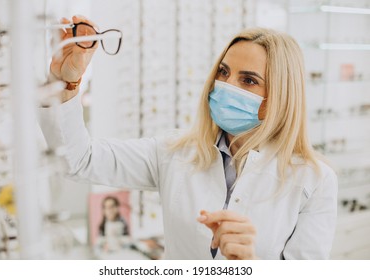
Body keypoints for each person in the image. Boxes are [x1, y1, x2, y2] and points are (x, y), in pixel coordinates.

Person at [39, 15, 338, 260]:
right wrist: (66, 83)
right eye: (223, 72)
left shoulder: (315, 180)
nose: (225, 85)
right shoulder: (173, 151)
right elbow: (78, 160)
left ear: (279, 98)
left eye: (248, 80)